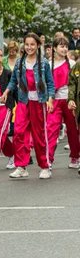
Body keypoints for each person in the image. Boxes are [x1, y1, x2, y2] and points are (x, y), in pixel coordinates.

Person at [1, 32, 55, 179]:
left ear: (38, 45)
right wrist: (6, 91)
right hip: (24, 101)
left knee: (39, 135)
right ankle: (21, 166)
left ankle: (45, 166)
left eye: (32, 44)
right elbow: (13, 81)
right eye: (27, 44)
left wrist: (50, 99)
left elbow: (50, 83)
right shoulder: (19, 62)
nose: (29, 47)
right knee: (18, 132)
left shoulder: (43, 63)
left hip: (39, 102)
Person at [47, 36, 78, 168]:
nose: (64, 49)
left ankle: (75, 157)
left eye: (66, 46)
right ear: (54, 48)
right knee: (51, 129)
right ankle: (48, 159)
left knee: (73, 130)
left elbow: (75, 83)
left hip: (69, 101)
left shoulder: (71, 63)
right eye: (61, 46)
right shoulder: (48, 64)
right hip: (54, 101)